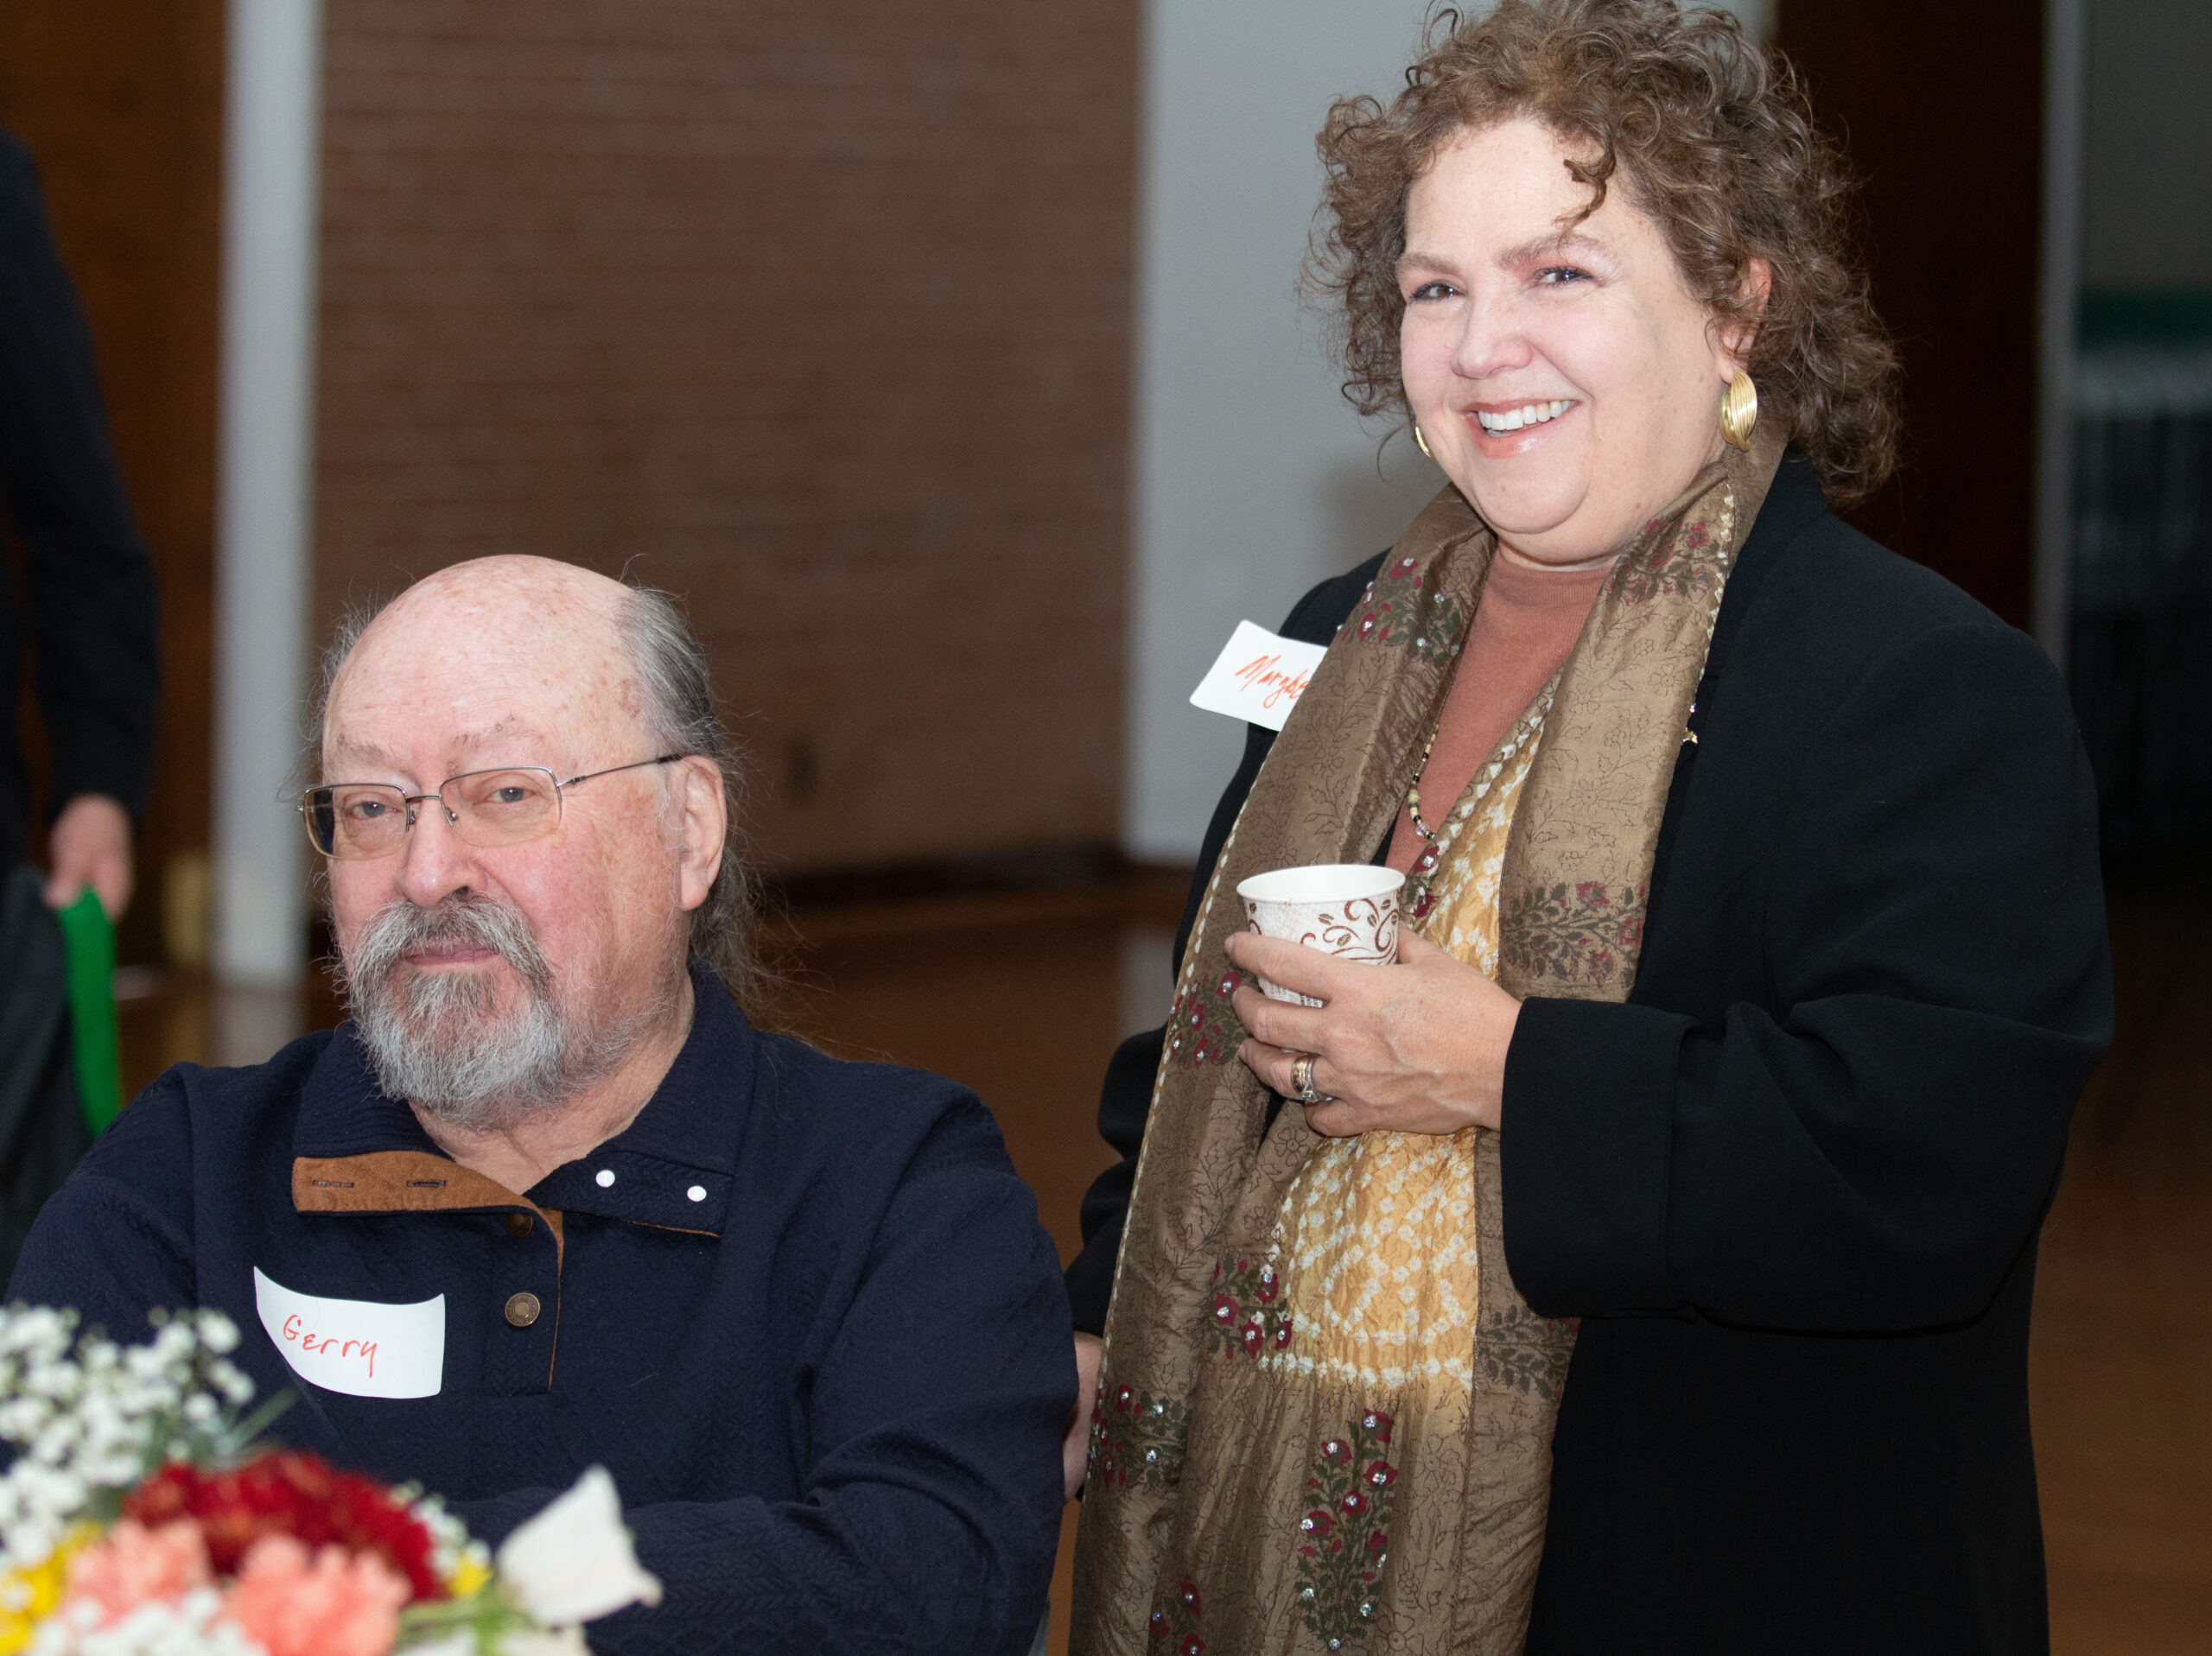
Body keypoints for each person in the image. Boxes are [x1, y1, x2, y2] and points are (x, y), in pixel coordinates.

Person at [1065, 3, 2110, 1653]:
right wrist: (1097, 1328)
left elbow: (1922, 1164)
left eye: (1561, 274)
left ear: (1733, 306)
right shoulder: (1336, 641)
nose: (1485, 348)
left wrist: (1499, 1065)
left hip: (1707, 1571)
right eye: (1436, 289)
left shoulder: (1920, 686)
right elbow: (1208, 1058)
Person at [10, 557, 1071, 1655]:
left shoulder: (899, 1186)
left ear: (689, 830)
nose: (425, 872)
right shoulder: (188, 1172)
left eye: (504, 794)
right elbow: (47, 1557)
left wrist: (333, 1594)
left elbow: (931, 1590)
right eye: (372, 807)